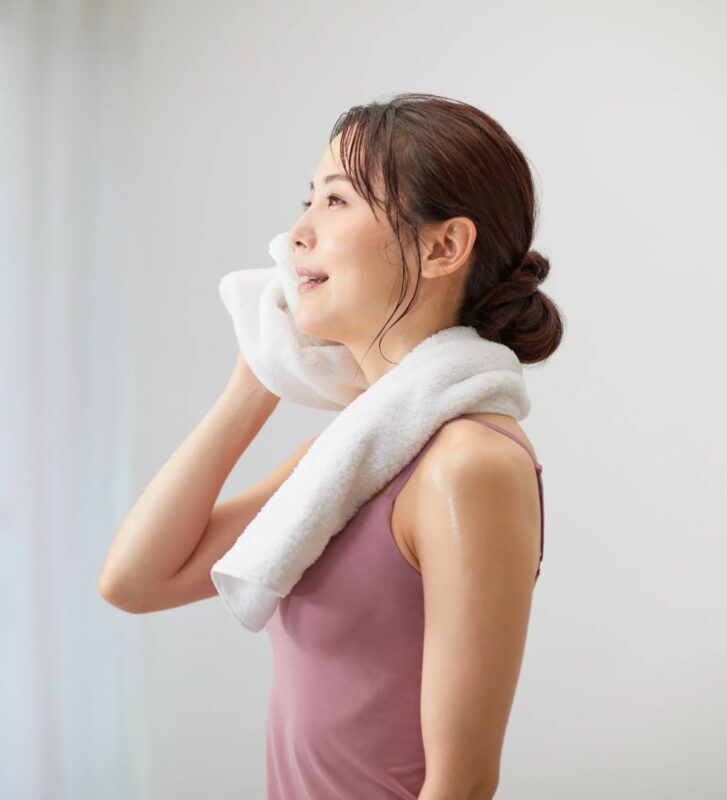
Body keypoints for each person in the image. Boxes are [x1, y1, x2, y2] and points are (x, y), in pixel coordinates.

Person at [99, 91, 563, 799]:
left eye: (337, 201)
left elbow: (462, 785)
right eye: (307, 199)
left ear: (442, 247)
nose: (295, 235)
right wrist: (256, 381)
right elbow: (135, 581)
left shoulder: (469, 466)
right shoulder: (350, 461)